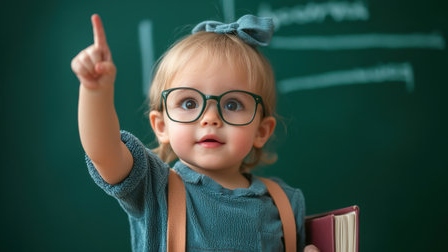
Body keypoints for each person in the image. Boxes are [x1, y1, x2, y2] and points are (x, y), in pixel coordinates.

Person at [71, 13, 319, 252]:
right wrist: (95, 91)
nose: (210, 118)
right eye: (189, 103)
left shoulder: (285, 204)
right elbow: (104, 152)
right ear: (161, 126)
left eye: (232, 104)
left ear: (261, 131)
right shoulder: (154, 188)